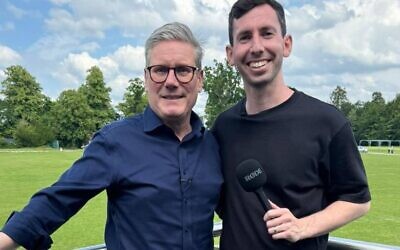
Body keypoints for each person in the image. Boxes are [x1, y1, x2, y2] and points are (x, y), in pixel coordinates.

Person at [0, 22, 223, 250]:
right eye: (160, 70)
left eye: (183, 70)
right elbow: (58, 200)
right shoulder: (116, 141)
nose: (171, 82)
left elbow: (237, 208)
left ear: (200, 79)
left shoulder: (213, 146)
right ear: (146, 78)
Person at [212, 1, 371, 249]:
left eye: (267, 33)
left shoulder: (327, 122)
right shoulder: (223, 127)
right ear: (230, 54)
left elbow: (358, 200)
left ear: (286, 44)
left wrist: (303, 226)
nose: (256, 47)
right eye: (244, 37)